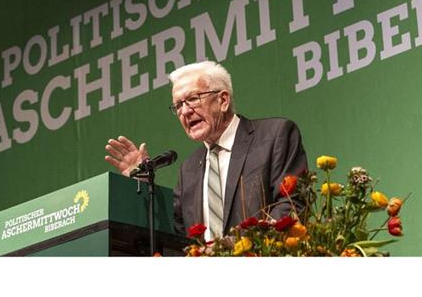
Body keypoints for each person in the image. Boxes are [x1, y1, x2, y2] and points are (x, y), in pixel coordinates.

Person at [105, 60, 308, 241]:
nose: (184, 111)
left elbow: (292, 205)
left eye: (193, 99)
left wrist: (234, 249)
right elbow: (175, 236)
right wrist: (142, 184)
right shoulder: (189, 170)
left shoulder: (274, 136)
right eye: (178, 106)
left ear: (223, 100)